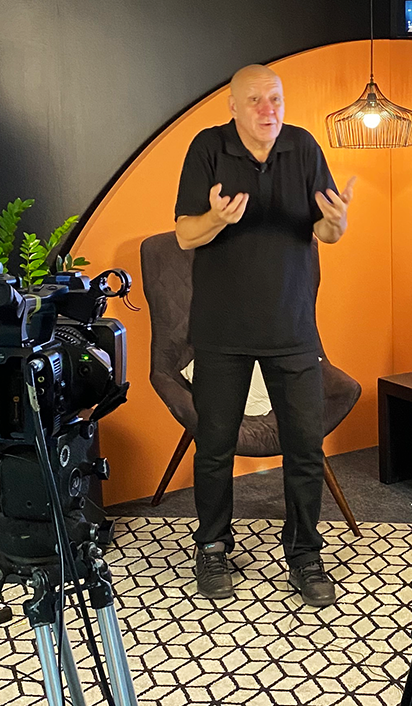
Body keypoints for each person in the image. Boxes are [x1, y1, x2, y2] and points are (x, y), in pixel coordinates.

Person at [174, 64, 356, 607]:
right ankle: (212, 547)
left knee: (305, 448)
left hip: (292, 326)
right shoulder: (208, 148)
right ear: (233, 106)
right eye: (254, 100)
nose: (267, 109)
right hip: (222, 330)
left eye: (274, 98)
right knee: (214, 448)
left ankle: (304, 554)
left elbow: (324, 230)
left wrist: (338, 224)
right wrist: (217, 218)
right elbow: (184, 235)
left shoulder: (303, 147)